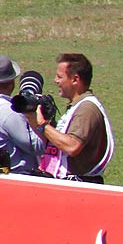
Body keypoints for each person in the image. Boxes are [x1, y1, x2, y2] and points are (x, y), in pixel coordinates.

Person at [32, 52, 114, 183]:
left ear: (75, 79)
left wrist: (42, 125)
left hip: (80, 186)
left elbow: (72, 146)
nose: (55, 80)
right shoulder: (77, 106)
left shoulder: (87, 109)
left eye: (59, 76)